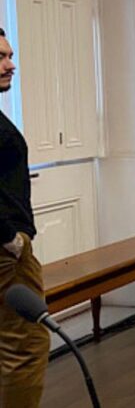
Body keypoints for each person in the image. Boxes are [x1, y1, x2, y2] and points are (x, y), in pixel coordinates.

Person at [0, 27, 49, 407]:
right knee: (25, 346)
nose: (10, 65)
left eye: (10, 55)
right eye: (1, 57)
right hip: (6, 254)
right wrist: (10, 238)